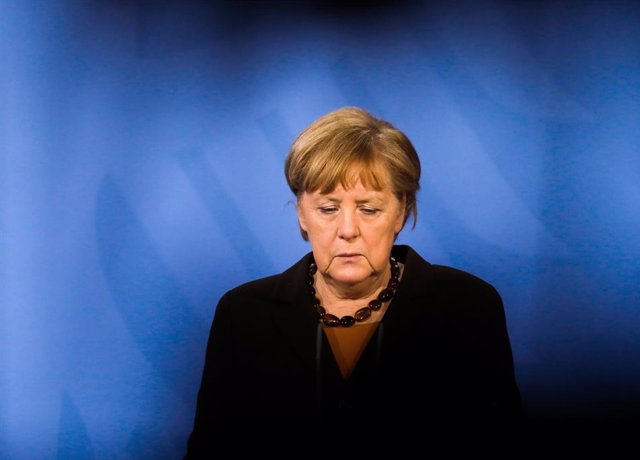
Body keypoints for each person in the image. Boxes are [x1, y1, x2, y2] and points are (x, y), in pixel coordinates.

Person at [184, 107, 523, 457]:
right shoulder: (243, 315)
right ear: (302, 214)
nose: (347, 230)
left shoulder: (468, 306)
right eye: (328, 209)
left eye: (369, 209)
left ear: (401, 212)